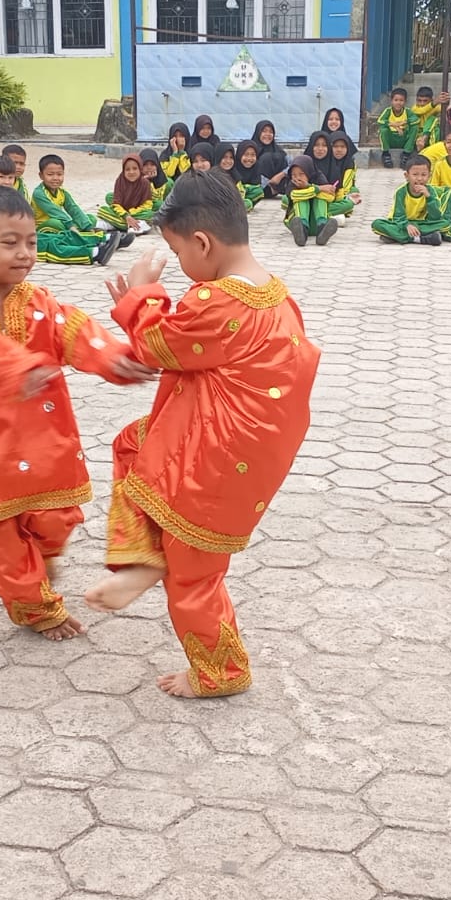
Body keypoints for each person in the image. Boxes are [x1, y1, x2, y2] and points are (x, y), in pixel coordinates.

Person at [85, 171, 319, 698]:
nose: (183, 269)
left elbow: (157, 346)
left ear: (203, 243)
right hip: (240, 449)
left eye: (177, 252)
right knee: (136, 443)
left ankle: (221, 674)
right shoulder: (272, 294)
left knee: (194, 581)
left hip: (215, 461)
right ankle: (145, 558)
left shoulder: (218, 303)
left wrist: (144, 294)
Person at [0, 185, 151, 640]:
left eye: (30, 242)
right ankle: (35, 607)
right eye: (9, 243)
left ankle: (40, 558)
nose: (25, 254)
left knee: (57, 519)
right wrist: (22, 364)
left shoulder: (38, 301)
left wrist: (114, 359)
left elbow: (75, 331)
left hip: (42, 434)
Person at [33, 155, 119, 266]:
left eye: (59, 174)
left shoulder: (62, 192)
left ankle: (103, 239)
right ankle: (103, 239)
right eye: (50, 175)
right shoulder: (39, 193)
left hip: (61, 224)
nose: (55, 178)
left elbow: (73, 209)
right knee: (57, 223)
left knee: (88, 218)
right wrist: (71, 225)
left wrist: (87, 226)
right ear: (41, 175)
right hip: (45, 228)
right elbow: (55, 212)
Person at [372, 156, 443, 245]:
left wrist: (429, 197)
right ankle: (419, 239)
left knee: (445, 224)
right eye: (415, 174)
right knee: (377, 224)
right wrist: (407, 225)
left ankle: (396, 237)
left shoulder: (431, 191)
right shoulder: (401, 192)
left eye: (424, 175)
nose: (419, 178)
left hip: (420, 224)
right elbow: (398, 216)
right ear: (407, 176)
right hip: (401, 224)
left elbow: (435, 216)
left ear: (429, 175)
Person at [281, 156, 339, 247]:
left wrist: (310, 188)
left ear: (309, 172)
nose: (297, 178)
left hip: (317, 224)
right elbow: (294, 195)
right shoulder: (292, 184)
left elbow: (330, 197)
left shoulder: (319, 177)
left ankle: (322, 230)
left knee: (320, 198)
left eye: (301, 174)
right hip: (297, 223)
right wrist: (317, 188)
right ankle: (301, 233)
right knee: (301, 198)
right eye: (294, 175)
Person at [96, 154, 156, 237]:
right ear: (123, 171)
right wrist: (126, 216)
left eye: (135, 168)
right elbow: (116, 204)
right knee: (103, 210)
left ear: (140, 169)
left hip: (138, 212)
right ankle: (133, 225)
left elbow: (147, 204)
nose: (131, 172)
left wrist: (132, 212)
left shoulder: (145, 183)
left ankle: (113, 224)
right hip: (123, 212)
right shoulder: (120, 181)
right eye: (127, 169)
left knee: (150, 214)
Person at [377, 88, 417, 167]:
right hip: (391, 139)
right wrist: (395, 126)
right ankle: (386, 154)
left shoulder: (407, 111)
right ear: (391, 101)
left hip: (403, 139)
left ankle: (406, 153)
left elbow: (416, 120)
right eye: (396, 100)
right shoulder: (388, 111)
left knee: (414, 127)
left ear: (405, 101)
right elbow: (380, 121)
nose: (398, 103)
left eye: (401, 100)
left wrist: (405, 122)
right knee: (383, 130)